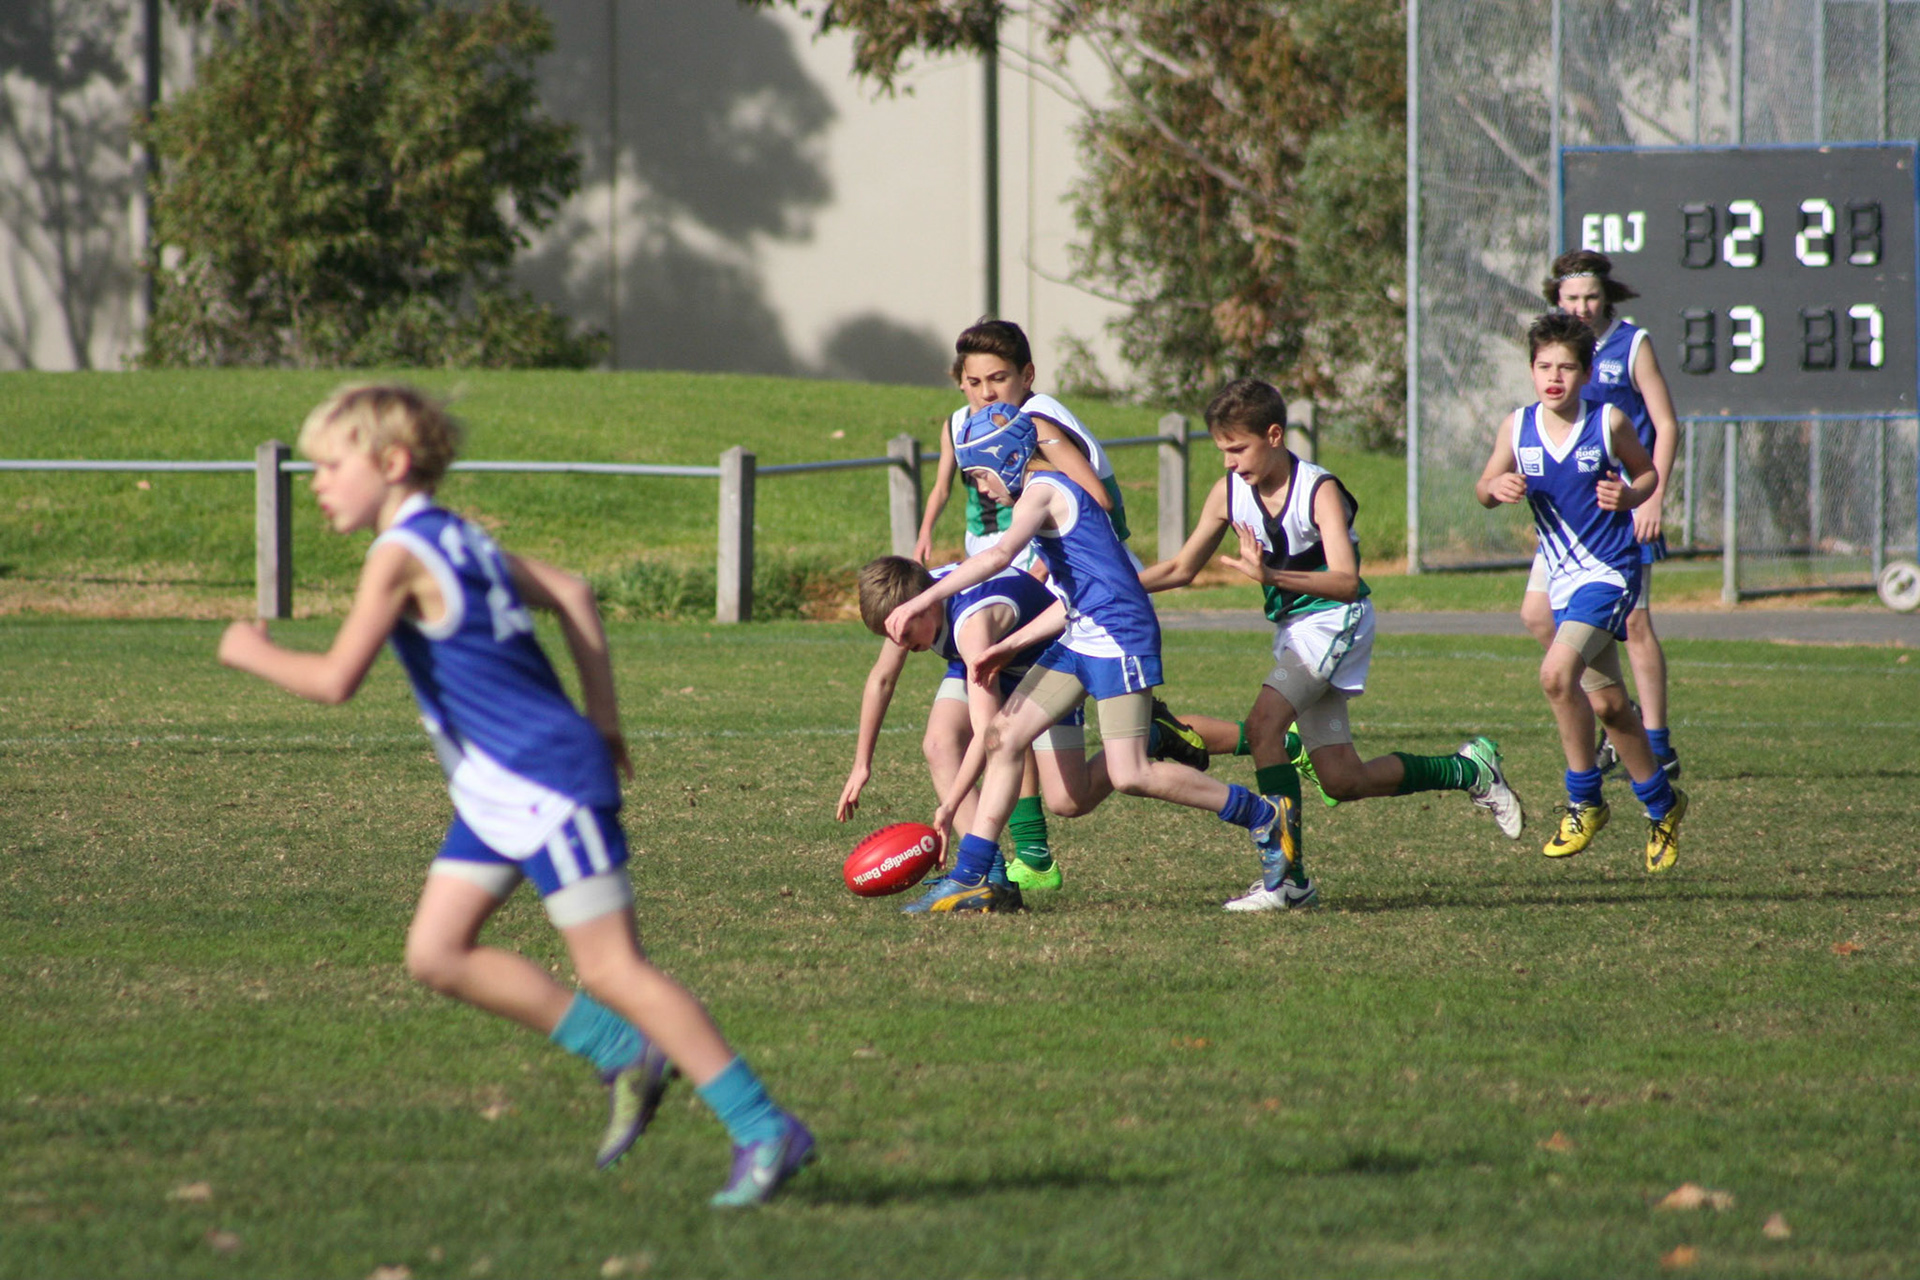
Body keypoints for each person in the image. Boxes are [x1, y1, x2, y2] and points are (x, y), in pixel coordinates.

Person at [216, 384, 812, 1207]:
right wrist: (605, 720)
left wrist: (246, 650)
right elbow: (572, 591)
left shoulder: (397, 554)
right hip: (499, 792)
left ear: (391, 463)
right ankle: (623, 1053)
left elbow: (334, 680)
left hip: (543, 782)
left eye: (329, 465)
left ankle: (764, 1126)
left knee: (612, 968)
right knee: (436, 953)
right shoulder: (456, 534)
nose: (315, 482)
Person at [1137, 378, 1524, 910]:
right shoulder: (1228, 493)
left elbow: (1346, 581)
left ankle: (1287, 879)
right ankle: (1470, 769)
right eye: (1222, 450)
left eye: (1238, 449)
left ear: (1274, 435)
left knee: (1264, 726)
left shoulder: (1318, 491)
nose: (1229, 462)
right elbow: (1182, 568)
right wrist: (1111, 589)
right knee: (1342, 779)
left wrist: (1271, 576)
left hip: (1335, 621)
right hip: (1294, 629)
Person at [883, 400, 1282, 914]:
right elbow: (1076, 598)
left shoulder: (1043, 492)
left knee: (1130, 774)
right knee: (1004, 736)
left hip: (1119, 636)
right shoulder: (1039, 495)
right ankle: (971, 877)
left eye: (980, 475)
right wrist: (1009, 646)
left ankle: (1261, 815)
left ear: (1007, 458)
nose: (981, 489)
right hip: (1080, 633)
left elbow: (998, 556)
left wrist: (923, 598)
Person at [840, 556, 1213, 899]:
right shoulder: (909, 604)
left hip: (1048, 663)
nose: (900, 643)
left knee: (1069, 800)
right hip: (990, 661)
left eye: (906, 635)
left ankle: (1150, 735)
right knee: (939, 745)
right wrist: (861, 764)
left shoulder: (972, 625)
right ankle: (986, 875)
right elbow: (882, 680)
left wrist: (949, 805)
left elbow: (989, 737)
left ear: (926, 605)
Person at [1475, 315, 1688, 872]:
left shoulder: (1608, 421)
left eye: (1567, 367)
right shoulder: (1517, 427)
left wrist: (1631, 496)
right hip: (1562, 578)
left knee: (1555, 675)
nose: (1554, 377)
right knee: (1611, 706)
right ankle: (1663, 805)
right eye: (1544, 366)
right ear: (1531, 370)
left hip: (1610, 572)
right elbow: (1484, 488)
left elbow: (1646, 474)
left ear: (1587, 373)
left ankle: (1585, 801)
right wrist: (1495, 486)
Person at [1535, 249, 1683, 778]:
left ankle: (1657, 743)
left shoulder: (1631, 344)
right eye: (1572, 297)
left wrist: (1652, 497)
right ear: (1557, 298)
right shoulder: (1559, 352)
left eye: (1591, 296)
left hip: (1622, 510)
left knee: (1636, 622)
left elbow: (1665, 424)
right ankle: (1618, 710)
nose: (1582, 307)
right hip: (1573, 521)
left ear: (1607, 296)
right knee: (1538, 615)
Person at [913, 318, 1134, 571]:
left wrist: (1041, 568)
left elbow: (1098, 499)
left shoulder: (1035, 422)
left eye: (998, 379)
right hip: (1076, 565)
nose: (986, 393)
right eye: (974, 382)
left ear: (1027, 375)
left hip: (1094, 568)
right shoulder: (1012, 422)